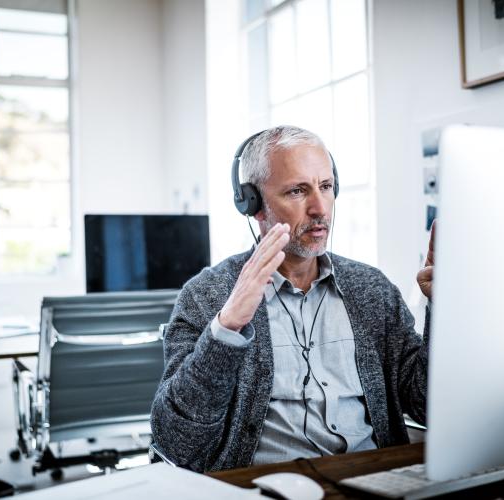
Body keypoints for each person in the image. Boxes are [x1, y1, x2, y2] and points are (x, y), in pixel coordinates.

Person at [151, 126, 434, 472]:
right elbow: (176, 441)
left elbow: (426, 406)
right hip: (265, 488)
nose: (319, 208)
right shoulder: (207, 295)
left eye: (326, 187)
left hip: (375, 478)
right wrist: (226, 329)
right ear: (253, 205)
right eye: (298, 191)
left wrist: (445, 310)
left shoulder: (372, 289)